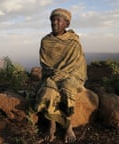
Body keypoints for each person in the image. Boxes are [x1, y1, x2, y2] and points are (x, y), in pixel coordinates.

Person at [35, 8, 87, 143]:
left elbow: (74, 63)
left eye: (58, 20)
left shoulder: (73, 42)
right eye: (53, 20)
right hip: (52, 74)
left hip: (71, 74)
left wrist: (61, 75)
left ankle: (68, 126)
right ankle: (51, 125)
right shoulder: (45, 41)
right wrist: (54, 75)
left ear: (67, 24)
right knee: (49, 89)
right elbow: (45, 64)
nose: (54, 23)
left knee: (67, 89)